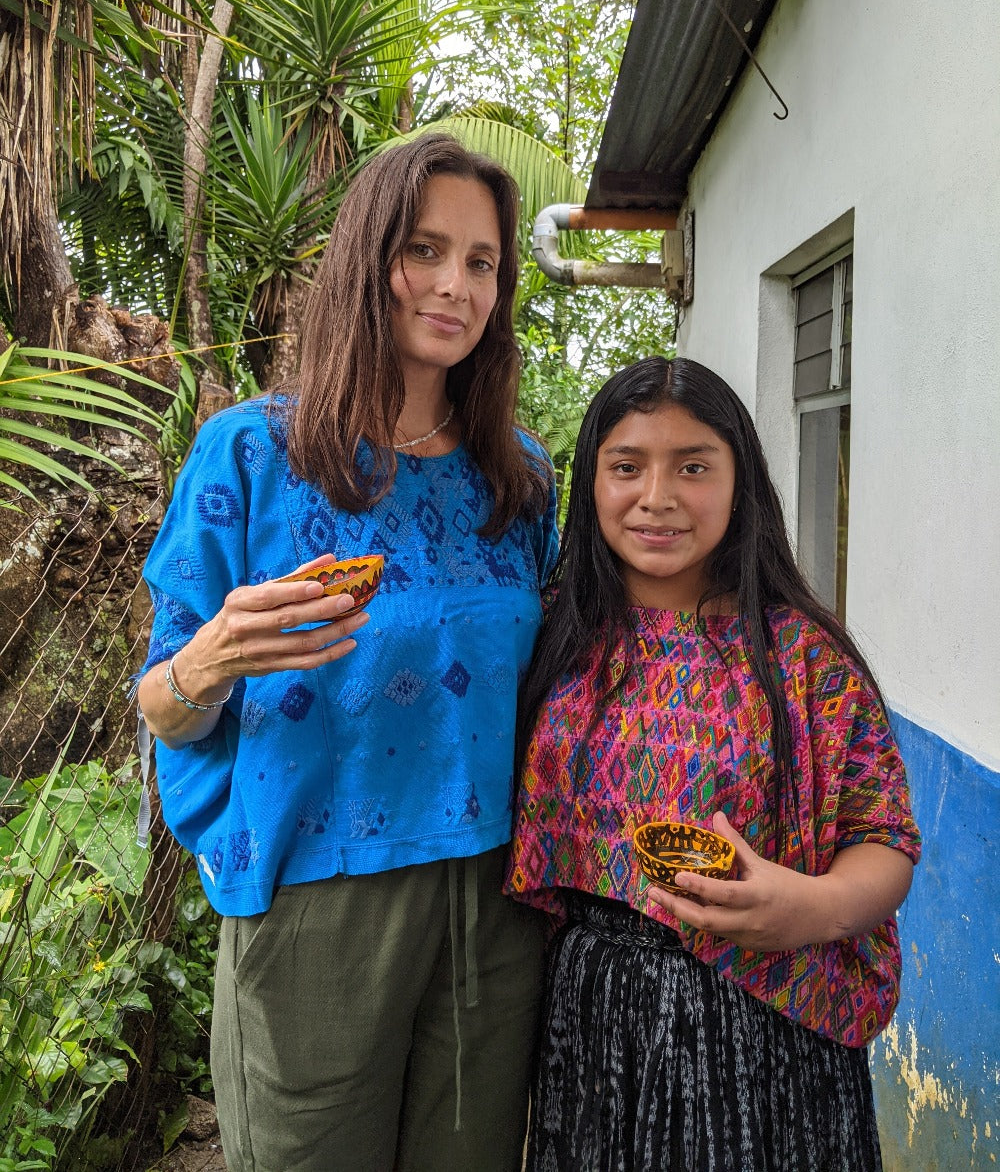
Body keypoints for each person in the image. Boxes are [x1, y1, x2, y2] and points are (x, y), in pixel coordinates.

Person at [136, 133, 559, 1172]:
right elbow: (160, 701)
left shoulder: (520, 480)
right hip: (322, 897)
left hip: (493, 901)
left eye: (481, 262)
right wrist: (218, 653)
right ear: (368, 259)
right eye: (425, 250)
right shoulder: (252, 454)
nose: (455, 285)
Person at [506, 355, 921, 1172]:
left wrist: (814, 906)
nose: (657, 496)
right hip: (591, 1020)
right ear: (592, 482)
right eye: (627, 466)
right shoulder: (552, 635)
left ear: (741, 483)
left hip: (767, 1021)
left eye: (693, 466)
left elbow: (886, 837)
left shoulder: (804, 657)